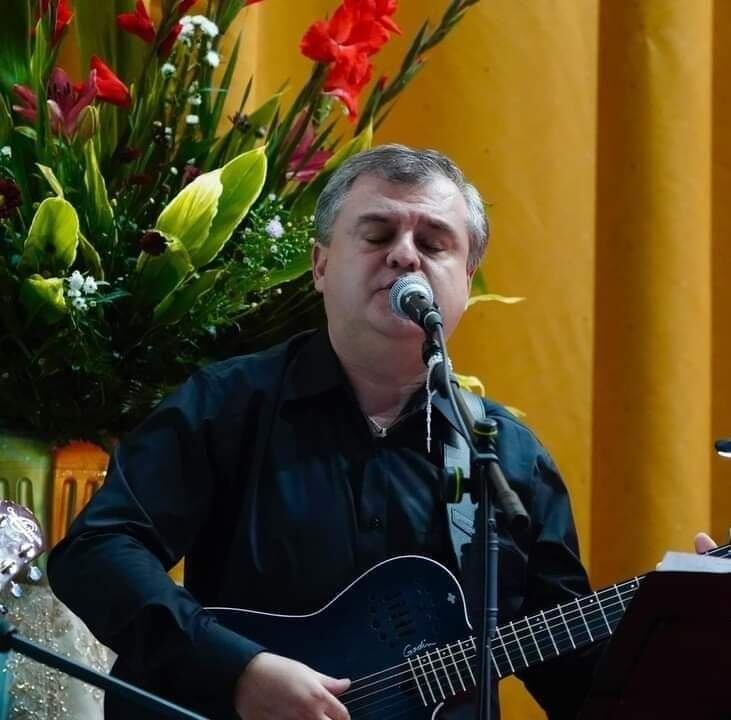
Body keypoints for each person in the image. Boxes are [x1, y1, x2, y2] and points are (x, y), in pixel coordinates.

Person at [46, 144, 714, 720]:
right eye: (377, 235)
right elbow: (97, 551)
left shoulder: (506, 459)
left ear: (465, 282)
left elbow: (580, 683)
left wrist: (696, 629)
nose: (404, 256)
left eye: (434, 243)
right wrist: (238, 670)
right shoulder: (227, 406)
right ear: (320, 266)